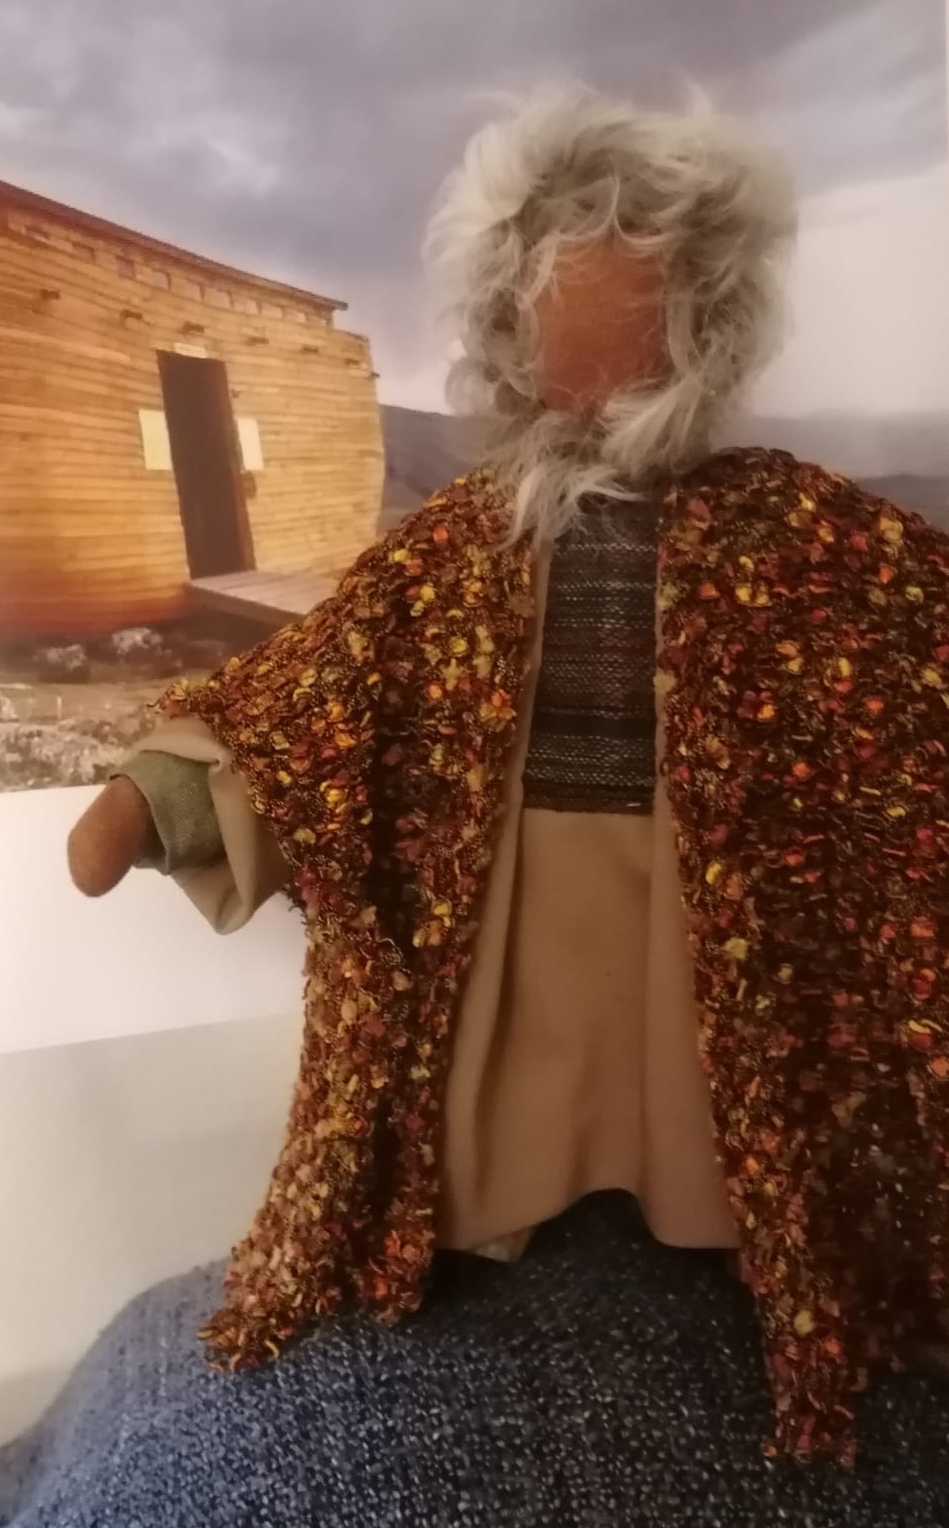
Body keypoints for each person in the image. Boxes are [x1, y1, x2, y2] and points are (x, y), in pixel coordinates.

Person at [67, 86, 949, 1468]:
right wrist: (166, 792)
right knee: (511, 1050)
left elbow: (910, 631)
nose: (592, 360)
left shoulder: (794, 531)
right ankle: (501, 1197)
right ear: (503, 330)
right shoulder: (466, 543)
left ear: (707, 322)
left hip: (705, 887)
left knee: (716, 1057)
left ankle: (719, 1211)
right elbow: (324, 689)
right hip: (513, 881)